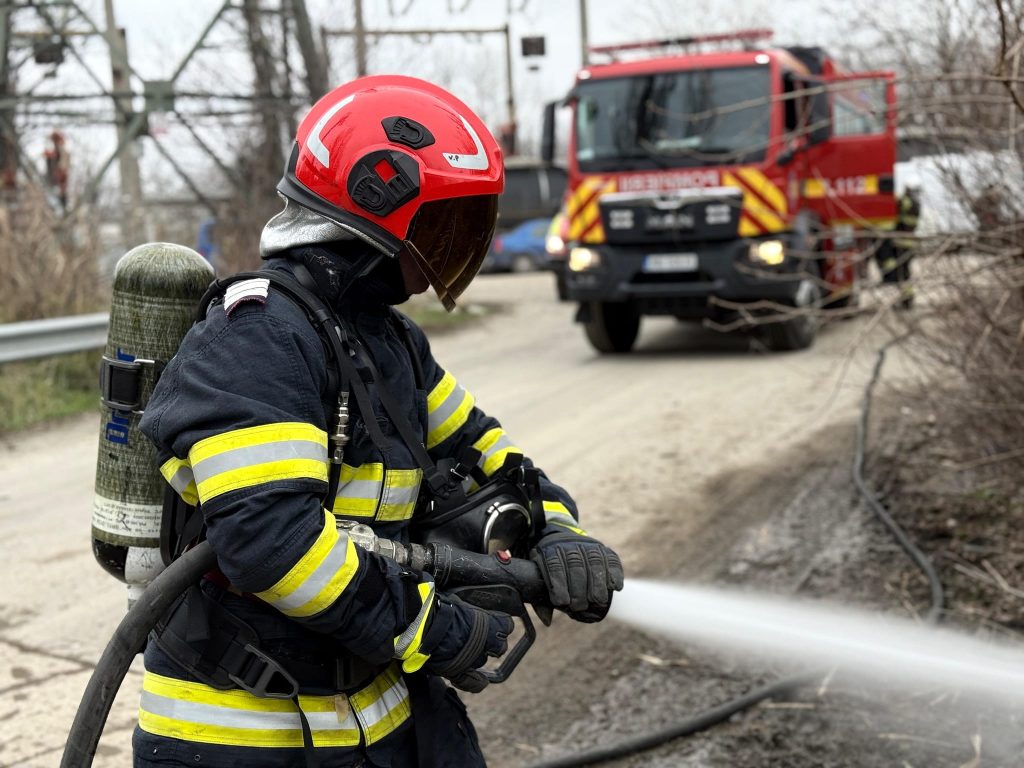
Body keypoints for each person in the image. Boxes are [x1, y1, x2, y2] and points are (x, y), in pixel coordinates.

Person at [134, 75, 623, 768]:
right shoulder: (257, 338)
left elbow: (488, 452)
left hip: (375, 716)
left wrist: (561, 534)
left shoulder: (386, 341)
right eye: (443, 223)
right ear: (374, 204)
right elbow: (272, 543)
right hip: (245, 738)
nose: (455, 244)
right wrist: (433, 626)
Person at [882, 184, 920, 309]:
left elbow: (900, 203)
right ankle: (906, 298)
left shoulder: (908, 202)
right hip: (908, 243)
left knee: (902, 273)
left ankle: (906, 299)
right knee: (905, 273)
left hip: (901, 243)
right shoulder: (916, 203)